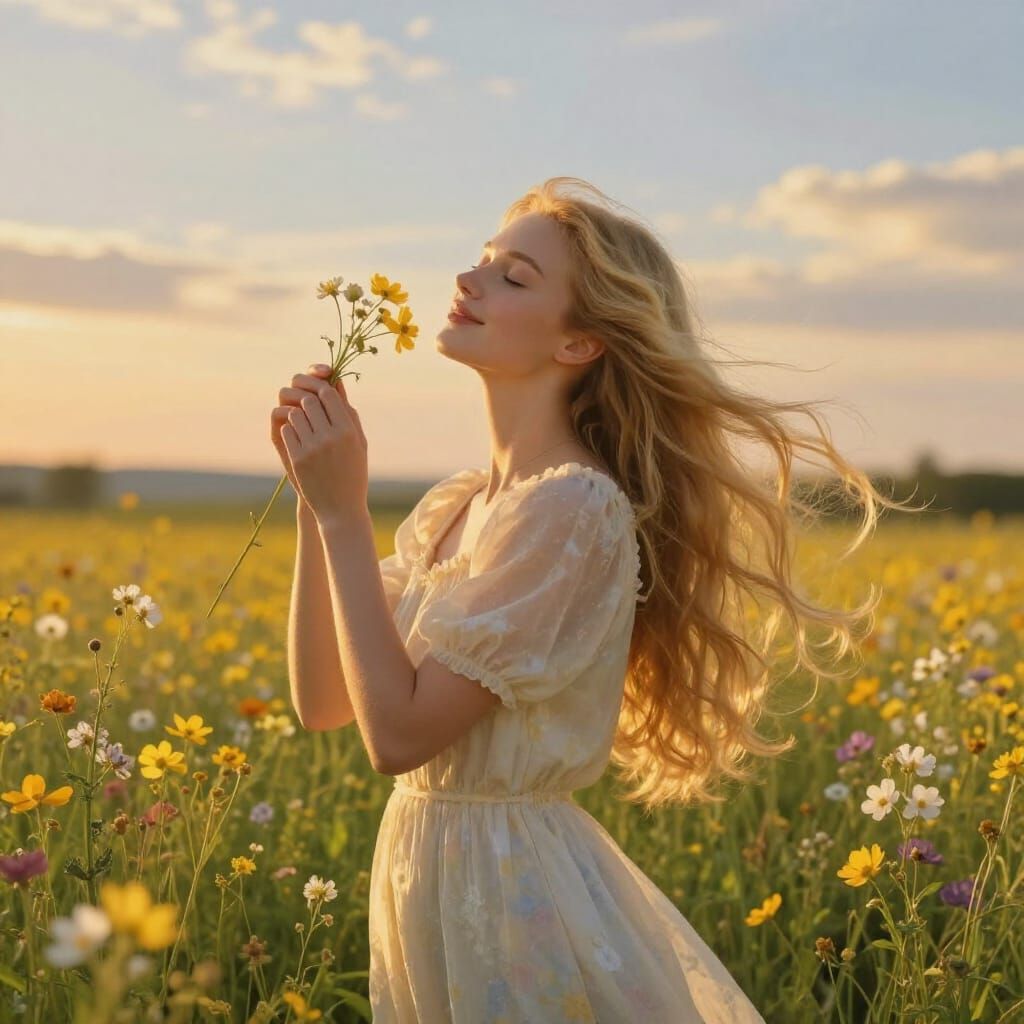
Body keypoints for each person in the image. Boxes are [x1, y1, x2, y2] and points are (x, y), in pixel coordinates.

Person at [276, 176, 916, 1022]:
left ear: (579, 344)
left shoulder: (571, 508)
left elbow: (395, 736)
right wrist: (311, 504)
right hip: (430, 881)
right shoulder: (461, 505)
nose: (469, 281)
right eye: (480, 262)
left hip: (512, 900)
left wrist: (344, 514)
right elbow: (325, 703)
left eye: (513, 277)